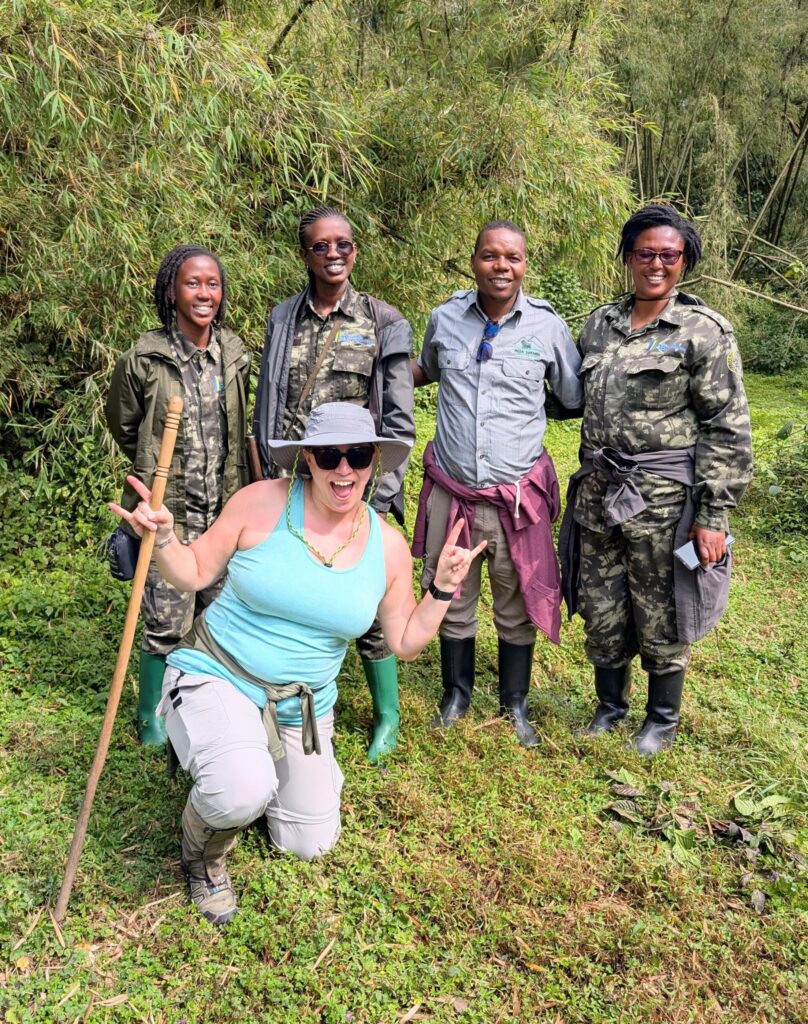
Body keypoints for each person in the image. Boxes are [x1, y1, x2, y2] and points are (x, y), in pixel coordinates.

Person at [110, 402, 484, 925]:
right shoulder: (260, 503)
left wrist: (442, 587)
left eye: (356, 454)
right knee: (240, 791)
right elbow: (193, 573)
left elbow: (404, 641)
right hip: (220, 672)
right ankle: (204, 856)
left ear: (374, 459)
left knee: (309, 842)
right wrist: (167, 538)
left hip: (301, 708)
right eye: (329, 455)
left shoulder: (389, 547)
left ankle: (255, 767)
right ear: (307, 459)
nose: (344, 470)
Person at [559, 204, 753, 755]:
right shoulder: (600, 323)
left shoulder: (703, 331)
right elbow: (568, 396)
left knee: (662, 607)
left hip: (664, 500)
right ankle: (609, 706)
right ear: (627, 257)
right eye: (646, 253)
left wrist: (714, 516)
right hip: (598, 492)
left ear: (684, 261)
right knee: (600, 602)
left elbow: (727, 424)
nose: (657, 264)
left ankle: (661, 719)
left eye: (670, 255)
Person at [411, 220, 584, 748]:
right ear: (473, 260)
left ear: (525, 264)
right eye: (490, 256)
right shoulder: (444, 319)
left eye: (512, 257)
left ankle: (515, 704)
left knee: (516, 600)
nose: (501, 267)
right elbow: (427, 369)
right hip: (453, 492)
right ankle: (456, 694)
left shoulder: (548, 328)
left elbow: (571, 396)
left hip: (516, 499)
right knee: (451, 593)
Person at [252, 206, 415, 763]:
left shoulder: (383, 320)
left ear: (355, 250)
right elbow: (267, 407)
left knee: (366, 600)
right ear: (305, 254)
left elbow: (398, 417)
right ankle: (282, 696)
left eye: (342, 244)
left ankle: (388, 714)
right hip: (295, 479)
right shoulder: (282, 318)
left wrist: (383, 497)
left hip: (354, 482)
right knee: (288, 588)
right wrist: (266, 479)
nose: (333, 254)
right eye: (320, 246)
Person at [106, 246, 250, 745]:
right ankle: (151, 716)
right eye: (192, 283)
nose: (204, 293)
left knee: (214, 614)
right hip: (170, 511)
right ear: (172, 290)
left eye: (213, 283)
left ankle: (205, 704)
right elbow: (125, 425)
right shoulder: (144, 358)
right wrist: (152, 464)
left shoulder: (232, 354)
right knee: (166, 618)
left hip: (223, 510)